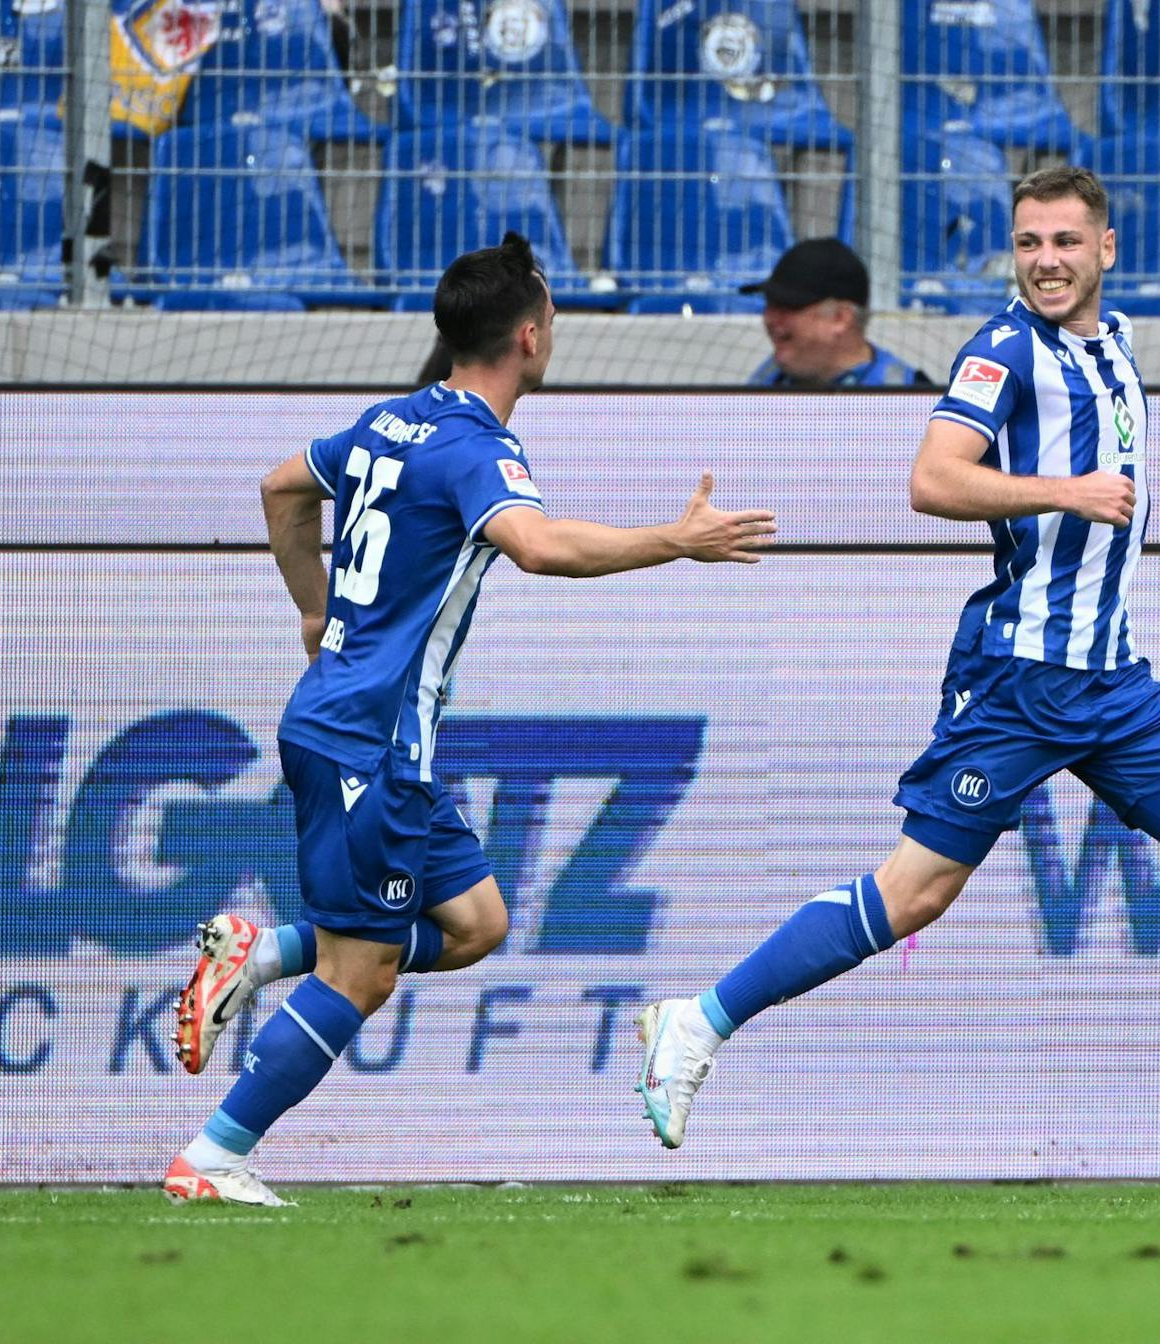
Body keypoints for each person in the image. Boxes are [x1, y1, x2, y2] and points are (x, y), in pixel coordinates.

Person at [635, 169, 1160, 1192]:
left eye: (1064, 241)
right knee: (913, 893)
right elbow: (932, 480)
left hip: (1111, 682)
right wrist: (1062, 491)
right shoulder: (1001, 350)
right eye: (1027, 243)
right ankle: (695, 1021)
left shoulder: (1112, 348)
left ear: (1107, 249)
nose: (1046, 261)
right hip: (1018, 679)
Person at [163, 234, 777, 1206]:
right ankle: (211, 1158)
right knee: (359, 973)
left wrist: (314, 610)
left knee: (475, 922)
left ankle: (262, 952)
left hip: (351, 728)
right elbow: (535, 546)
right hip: (369, 738)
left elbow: (282, 487)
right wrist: (675, 540)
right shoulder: (474, 448)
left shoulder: (387, 423)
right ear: (530, 336)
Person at [741, 238, 933, 388]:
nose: (770, 318)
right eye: (770, 304)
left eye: (789, 306)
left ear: (840, 319)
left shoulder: (913, 400)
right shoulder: (762, 384)